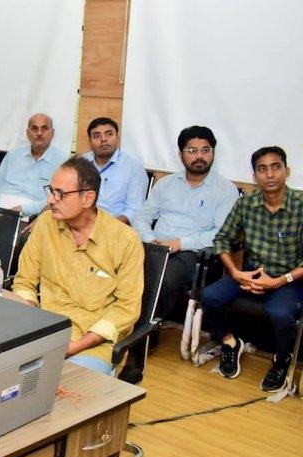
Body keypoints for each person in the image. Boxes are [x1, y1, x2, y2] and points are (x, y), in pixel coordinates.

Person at [12, 157, 144, 376]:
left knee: (65, 389)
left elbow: (126, 309)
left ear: (87, 198)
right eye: (51, 191)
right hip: (44, 333)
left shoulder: (125, 240)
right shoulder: (45, 224)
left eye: (60, 194)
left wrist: (75, 346)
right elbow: (24, 281)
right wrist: (29, 322)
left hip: (92, 347)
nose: (50, 200)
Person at [201, 146, 303, 392]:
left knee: (280, 313)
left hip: (289, 279)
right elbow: (222, 239)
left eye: (276, 167)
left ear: (287, 171)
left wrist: (278, 281)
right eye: (262, 169)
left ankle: (282, 358)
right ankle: (230, 342)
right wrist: (236, 273)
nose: (270, 174)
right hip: (250, 274)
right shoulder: (246, 203)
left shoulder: (300, 206)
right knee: (209, 296)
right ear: (255, 176)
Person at [132, 126, 239, 320]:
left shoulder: (225, 190)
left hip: (191, 253)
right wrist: (151, 240)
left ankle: (147, 325)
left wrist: (180, 243)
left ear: (213, 153)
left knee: (163, 277)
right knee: (122, 267)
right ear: (181, 154)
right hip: (154, 246)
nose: (199, 156)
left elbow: (220, 234)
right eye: (192, 150)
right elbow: (142, 217)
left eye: (205, 150)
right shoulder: (166, 184)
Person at [0, 113, 68, 217]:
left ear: (52, 133)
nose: (39, 133)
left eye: (44, 128)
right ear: (28, 133)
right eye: (34, 129)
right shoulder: (13, 155)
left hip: (34, 216)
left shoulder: (63, 162)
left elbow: (60, 197)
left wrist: (25, 209)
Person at [80, 117, 147, 224]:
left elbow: (134, 209)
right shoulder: (81, 163)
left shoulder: (133, 167)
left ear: (117, 138)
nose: (103, 139)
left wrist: (109, 227)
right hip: (81, 222)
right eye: (96, 136)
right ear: (90, 141)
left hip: (115, 225)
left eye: (109, 134)